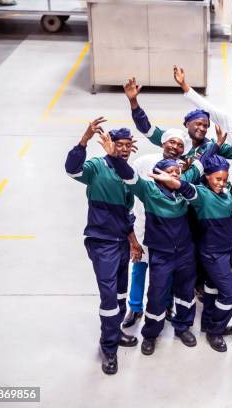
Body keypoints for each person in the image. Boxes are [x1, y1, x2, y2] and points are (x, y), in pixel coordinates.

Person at [97, 132, 201, 356]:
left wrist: (220, 143)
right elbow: (130, 177)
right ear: (158, 174)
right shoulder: (150, 192)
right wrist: (114, 157)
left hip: (185, 253)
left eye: (177, 172)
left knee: (185, 293)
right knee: (157, 294)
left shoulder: (184, 191)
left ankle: (183, 327)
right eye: (169, 172)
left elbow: (199, 166)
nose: (174, 175)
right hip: (161, 254)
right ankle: (151, 334)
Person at [64, 118, 140, 375]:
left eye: (128, 145)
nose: (124, 149)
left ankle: (116, 331)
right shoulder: (97, 167)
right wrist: (84, 140)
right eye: (119, 144)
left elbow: (126, 213)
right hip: (102, 243)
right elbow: (72, 169)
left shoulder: (127, 174)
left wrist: (133, 242)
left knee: (120, 294)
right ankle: (109, 349)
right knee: (109, 299)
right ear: (109, 144)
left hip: (120, 243)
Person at [182, 146, 232, 353]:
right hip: (212, 253)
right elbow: (185, 186)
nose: (222, 184)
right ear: (206, 177)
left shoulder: (226, 192)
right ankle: (215, 330)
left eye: (224, 179)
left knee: (213, 288)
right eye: (217, 179)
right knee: (230, 295)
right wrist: (175, 180)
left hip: (226, 248)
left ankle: (207, 323)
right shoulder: (202, 194)